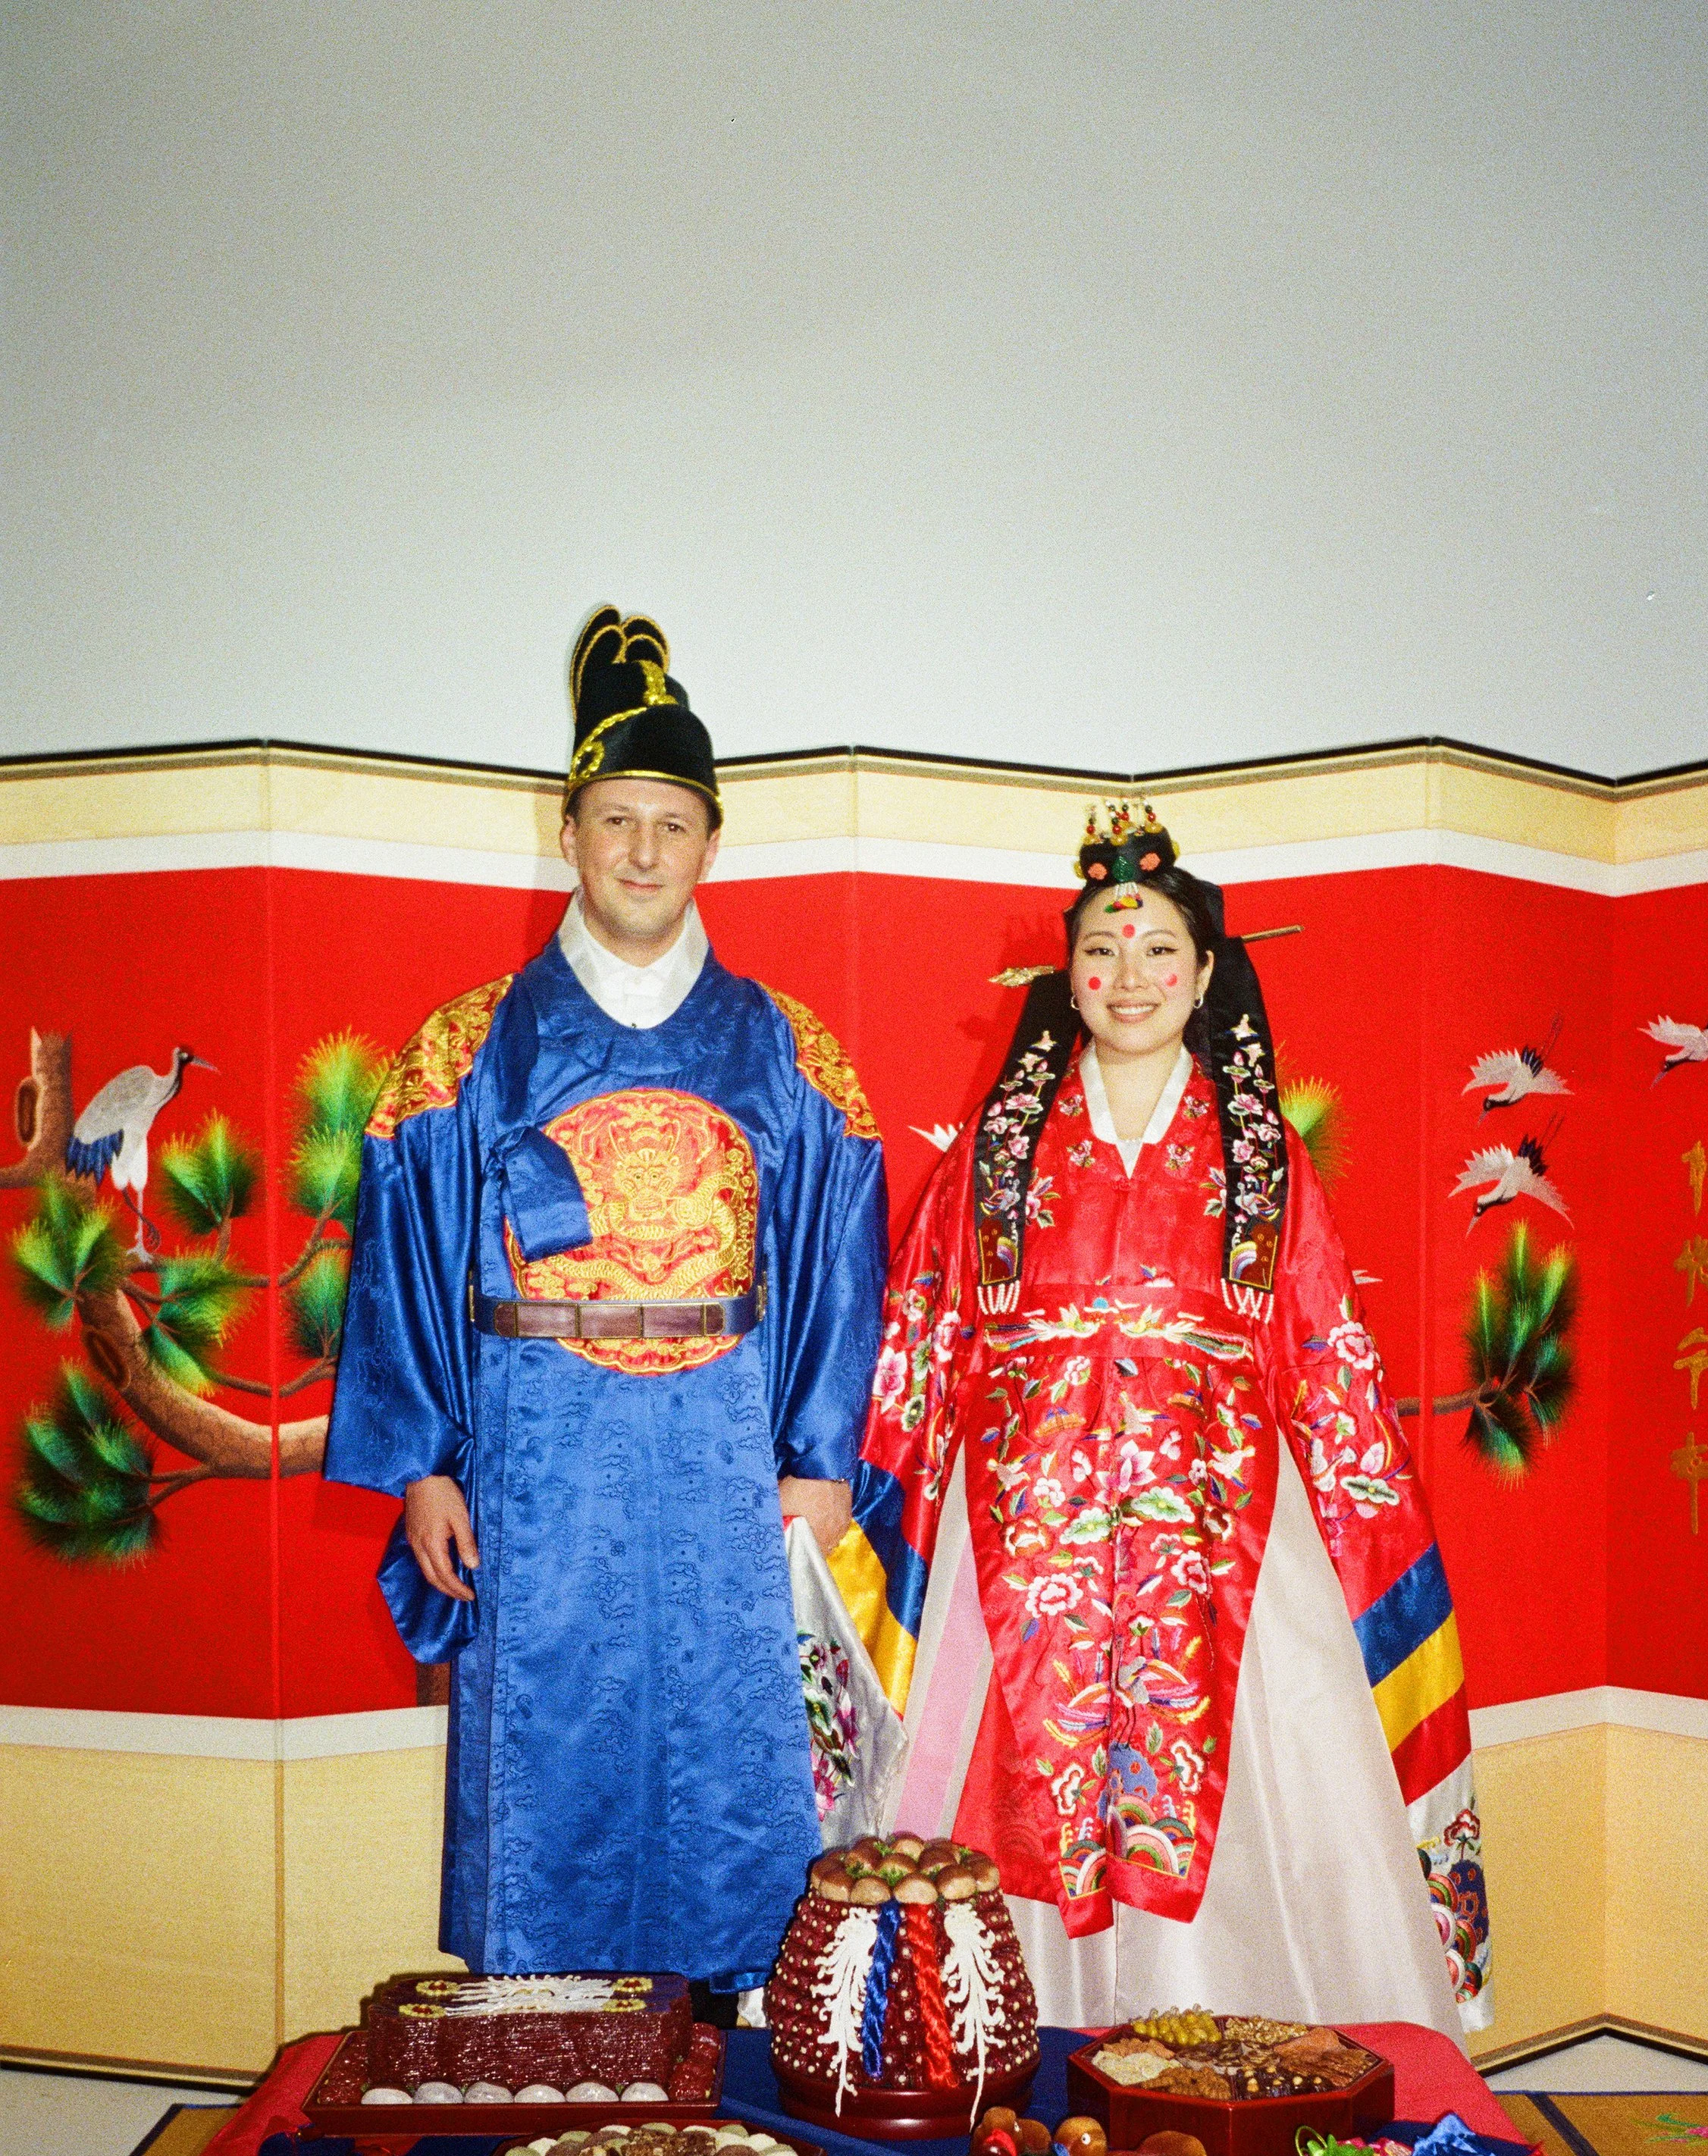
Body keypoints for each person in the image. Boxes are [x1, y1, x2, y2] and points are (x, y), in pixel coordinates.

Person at [848, 801, 1491, 2034]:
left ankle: (1223, 2063)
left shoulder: (1262, 1160)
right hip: (1021, 1540)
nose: (1129, 976)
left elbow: (1328, 1363)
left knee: (1255, 1802)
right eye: (1101, 949)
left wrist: (1373, 1538)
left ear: (1204, 977)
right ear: (1068, 977)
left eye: (1158, 951)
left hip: (1219, 1534)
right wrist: (857, 1511)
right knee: (1005, 1807)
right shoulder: (997, 1153)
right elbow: (919, 1338)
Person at [327, 609, 887, 1996]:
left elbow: (838, 1261)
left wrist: (821, 1459)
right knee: (549, 1741)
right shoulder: (466, 1050)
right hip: (536, 1460)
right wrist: (424, 1464)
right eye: (617, 820)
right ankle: (547, 2047)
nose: (643, 851)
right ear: (567, 830)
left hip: (723, 1457)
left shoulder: (787, 1050)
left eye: (672, 824)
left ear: (712, 843)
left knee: (726, 1745)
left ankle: (730, 2055)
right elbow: (406, 1261)